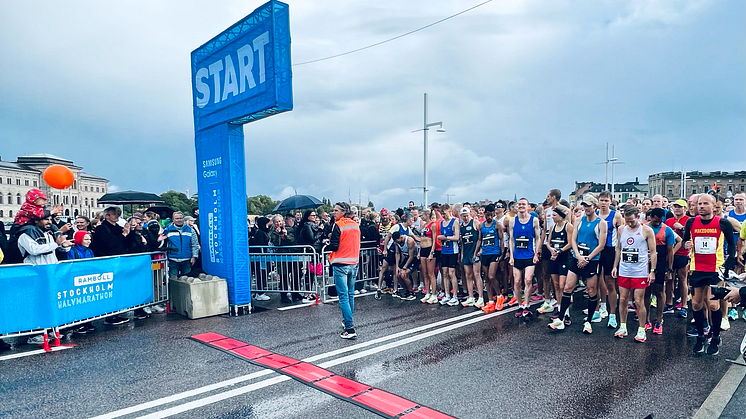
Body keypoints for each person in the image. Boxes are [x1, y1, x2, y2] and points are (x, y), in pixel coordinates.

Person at [682, 193, 737, 355]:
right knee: (696, 304)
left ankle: (715, 336)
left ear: (714, 207)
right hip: (697, 268)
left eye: (705, 204)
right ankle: (700, 336)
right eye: (699, 204)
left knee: (713, 304)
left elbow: (732, 245)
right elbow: (685, 243)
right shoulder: (691, 222)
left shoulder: (723, 223)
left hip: (715, 270)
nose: (701, 206)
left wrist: (729, 264)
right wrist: (687, 245)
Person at [549, 194, 607, 333]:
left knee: (592, 291)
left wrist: (587, 258)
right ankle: (561, 318)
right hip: (576, 259)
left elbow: (601, 245)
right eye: (584, 206)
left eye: (589, 206)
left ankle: (588, 322)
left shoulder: (601, 223)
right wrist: (579, 256)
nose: (586, 208)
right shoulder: (579, 221)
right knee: (568, 287)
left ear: (595, 207)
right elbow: (573, 240)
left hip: (592, 261)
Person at [17, 211, 72, 344]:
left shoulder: (47, 234)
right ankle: (34, 334)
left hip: (49, 273)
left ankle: (49, 330)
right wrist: (56, 244)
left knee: (48, 302)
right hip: (34, 274)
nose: (49, 222)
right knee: (36, 304)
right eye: (45, 220)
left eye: (50, 219)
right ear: (36, 221)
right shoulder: (25, 235)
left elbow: (54, 251)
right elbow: (34, 250)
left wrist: (65, 246)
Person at [611, 206, 657, 341]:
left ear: (638, 217)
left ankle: (641, 329)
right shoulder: (621, 229)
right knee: (623, 299)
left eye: (632, 221)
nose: (629, 223)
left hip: (640, 271)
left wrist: (652, 271)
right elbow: (619, 249)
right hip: (625, 270)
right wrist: (615, 266)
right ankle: (623, 326)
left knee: (638, 300)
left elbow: (653, 252)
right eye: (627, 221)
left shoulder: (647, 230)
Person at [644, 208, 681, 336]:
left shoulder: (667, 230)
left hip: (661, 263)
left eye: (659, 221)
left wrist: (669, 269)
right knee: (646, 291)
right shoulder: (644, 228)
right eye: (655, 221)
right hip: (646, 262)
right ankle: (646, 319)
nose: (657, 223)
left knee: (660, 291)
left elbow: (670, 251)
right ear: (650, 217)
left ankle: (659, 320)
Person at [328, 202, 361, 339]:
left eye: (336, 210)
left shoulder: (338, 225)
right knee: (350, 294)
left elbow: (334, 246)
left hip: (341, 263)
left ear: (343, 212)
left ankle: (349, 327)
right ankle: (347, 322)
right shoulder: (355, 225)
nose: (333, 212)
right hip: (353, 263)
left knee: (343, 296)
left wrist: (330, 240)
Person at [508, 198, 541, 317]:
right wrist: (511, 255)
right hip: (517, 256)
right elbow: (511, 240)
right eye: (519, 204)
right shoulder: (512, 221)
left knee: (528, 280)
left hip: (529, 255)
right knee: (517, 282)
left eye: (523, 204)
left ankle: (527, 305)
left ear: (528, 206)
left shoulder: (534, 220)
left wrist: (537, 253)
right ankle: (519, 305)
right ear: (517, 207)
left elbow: (538, 238)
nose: (521, 206)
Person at [596, 191, 624, 328]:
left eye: (606, 201)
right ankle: (599, 308)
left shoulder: (616, 215)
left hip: (609, 250)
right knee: (595, 282)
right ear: (598, 201)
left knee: (610, 283)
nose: (603, 203)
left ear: (611, 202)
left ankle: (612, 314)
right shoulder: (594, 215)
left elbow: (622, 236)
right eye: (601, 200)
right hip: (595, 250)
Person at [540, 204, 573, 316]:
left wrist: (559, 251)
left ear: (560, 216)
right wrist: (552, 250)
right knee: (556, 285)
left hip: (563, 258)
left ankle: (566, 311)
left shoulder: (568, 226)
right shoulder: (552, 227)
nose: (552, 217)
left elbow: (570, 243)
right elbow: (548, 242)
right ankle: (559, 309)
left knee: (563, 285)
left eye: (554, 215)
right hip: (553, 258)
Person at [66, 230, 97, 334]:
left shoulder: (89, 251)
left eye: (89, 239)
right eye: (86, 239)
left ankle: (87, 322)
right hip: (76, 279)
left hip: (87, 278)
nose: (89, 241)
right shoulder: (72, 250)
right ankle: (78, 324)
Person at [476, 204, 505, 313]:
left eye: (491, 215)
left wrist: (501, 253)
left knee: (491, 276)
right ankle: (491, 301)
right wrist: (476, 252)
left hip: (494, 253)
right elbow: (479, 240)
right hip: (485, 253)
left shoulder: (497, 225)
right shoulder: (481, 226)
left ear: (493, 214)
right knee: (486, 279)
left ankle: (499, 295)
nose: (489, 217)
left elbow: (501, 239)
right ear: (485, 214)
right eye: (487, 215)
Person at [664, 199, 691, 318]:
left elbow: (691, 235)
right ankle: (669, 303)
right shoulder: (669, 221)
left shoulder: (689, 220)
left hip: (683, 253)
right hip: (670, 253)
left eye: (680, 207)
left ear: (685, 209)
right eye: (675, 206)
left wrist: (682, 228)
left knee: (682, 279)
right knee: (669, 278)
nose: (677, 209)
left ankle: (684, 305)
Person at [459, 207, 483, 307]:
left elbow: (481, 238)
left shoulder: (475, 223)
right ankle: (471, 297)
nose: (465, 218)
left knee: (476, 274)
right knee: (468, 275)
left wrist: (479, 250)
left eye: (467, 215)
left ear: (470, 214)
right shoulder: (461, 226)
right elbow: (463, 243)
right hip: (466, 253)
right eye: (463, 216)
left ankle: (481, 297)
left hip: (475, 252)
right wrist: (462, 255)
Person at [437, 204, 460, 306]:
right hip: (444, 251)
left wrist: (445, 237)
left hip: (452, 251)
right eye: (442, 213)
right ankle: (447, 295)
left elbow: (457, 237)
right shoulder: (442, 223)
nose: (443, 215)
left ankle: (455, 296)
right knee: (444, 273)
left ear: (449, 211)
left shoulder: (454, 222)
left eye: (444, 213)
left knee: (452, 273)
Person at [249, 216, 271, 301]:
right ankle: (260, 292)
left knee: (262, 273)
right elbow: (261, 244)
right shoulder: (260, 233)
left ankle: (260, 292)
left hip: (262, 257)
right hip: (260, 257)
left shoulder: (262, 232)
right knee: (261, 274)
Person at [419, 209, 438, 304]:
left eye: (422, 215)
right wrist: (419, 251)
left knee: (431, 273)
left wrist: (432, 252)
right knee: (424, 273)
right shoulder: (423, 225)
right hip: (422, 249)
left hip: (429, 248)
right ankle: (427, 292)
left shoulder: (433, 225)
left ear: (427, 215)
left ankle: (434, 294)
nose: (421, 217)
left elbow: (434, 239)